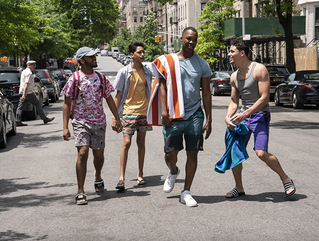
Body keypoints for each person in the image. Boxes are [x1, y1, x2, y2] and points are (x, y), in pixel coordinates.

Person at [147, 27, 212, 207]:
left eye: (194, 39)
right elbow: (162, 87)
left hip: (195, 115)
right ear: (181, 39)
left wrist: (209, 119)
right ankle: (173, 171)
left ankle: (186, 191)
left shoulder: (202, 64)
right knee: (170, 153)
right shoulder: (168, 62)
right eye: (188, 39)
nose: (191, 42)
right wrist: (164, 112)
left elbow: (206, 94)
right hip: (173, 115)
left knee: (193, 153)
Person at [224, 38, 296, 198]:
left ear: (242, 53)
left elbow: (264, 98)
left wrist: (245, 113)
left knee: (261, 152)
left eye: (232, 51)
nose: (229, 54)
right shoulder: (234, 76)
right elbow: (234, 101)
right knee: (235, 152)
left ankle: (286, 178)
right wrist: (228, 116)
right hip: (242, 116)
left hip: (259, 115)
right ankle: (239, 187)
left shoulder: (259, 69)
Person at [62, 47, 122, 205]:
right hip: (81, 122)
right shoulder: (74, 78)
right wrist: (65, 127)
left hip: (99, 122)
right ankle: (80, 191)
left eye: (95, 56)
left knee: (99, 156)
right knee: (82, 153)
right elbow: (67, 103)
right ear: (82, 60)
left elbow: (109, 99)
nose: (95, 58)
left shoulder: (101, 78)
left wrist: (117, 118)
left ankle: (98, 175)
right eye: (91, 57)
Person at [112, 41, 153, 191]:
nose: (142, 55)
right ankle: (121, 177)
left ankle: (140, 174)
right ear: (131, 55)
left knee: (141, 143)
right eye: (139, 52)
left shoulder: (147, 71)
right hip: (128, 111)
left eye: (143, 52)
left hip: (143, 112)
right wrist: (115, 117)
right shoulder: (124, 72)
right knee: (126, 142)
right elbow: (118, 95)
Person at [15, 60, 55, 126]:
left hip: (25, 92)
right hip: (28, 93)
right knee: (38, 104)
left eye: (35, 65)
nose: (34, 66)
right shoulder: (29, 73)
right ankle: (44, 118)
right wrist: (24, 94)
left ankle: (17, 121)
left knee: (20, 107)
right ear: (29, 65)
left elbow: (28, 84)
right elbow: (26, 84)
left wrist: (33, 91)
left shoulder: (24, 71)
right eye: (33, 65)